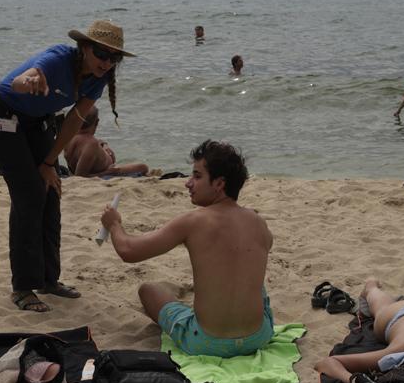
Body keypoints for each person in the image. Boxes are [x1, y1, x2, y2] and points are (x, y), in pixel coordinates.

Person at [0, 19, 134, 312]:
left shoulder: (99, 78)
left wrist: (50, 162)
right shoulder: (57, 60)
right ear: (85, 48)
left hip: (38, 122)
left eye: (114, 58)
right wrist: (29, 82)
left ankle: (49, 280)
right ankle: (23, 287)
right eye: (102, 54)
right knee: (28, 194)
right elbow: (16, 82)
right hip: (3, 116)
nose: (107, 62)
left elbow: (74, 121)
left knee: (51, 190)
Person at [99, 140, 275, 357]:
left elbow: (128, 251)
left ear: (219, 184)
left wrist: (114, 224)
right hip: (258, 338)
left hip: (206, 343)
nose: (188, 183)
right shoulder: (259, 223)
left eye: (197, 176)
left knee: (148, 290)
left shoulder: (194, 221)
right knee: (254, 280)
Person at [65, 108, 148, 177]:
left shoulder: (69, 136)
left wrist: (104, 145)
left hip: (98, 169)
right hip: (105, 173)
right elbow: (80, 177)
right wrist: (109, 172)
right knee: (143, 167)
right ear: (97, 122)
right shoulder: (91, 144)